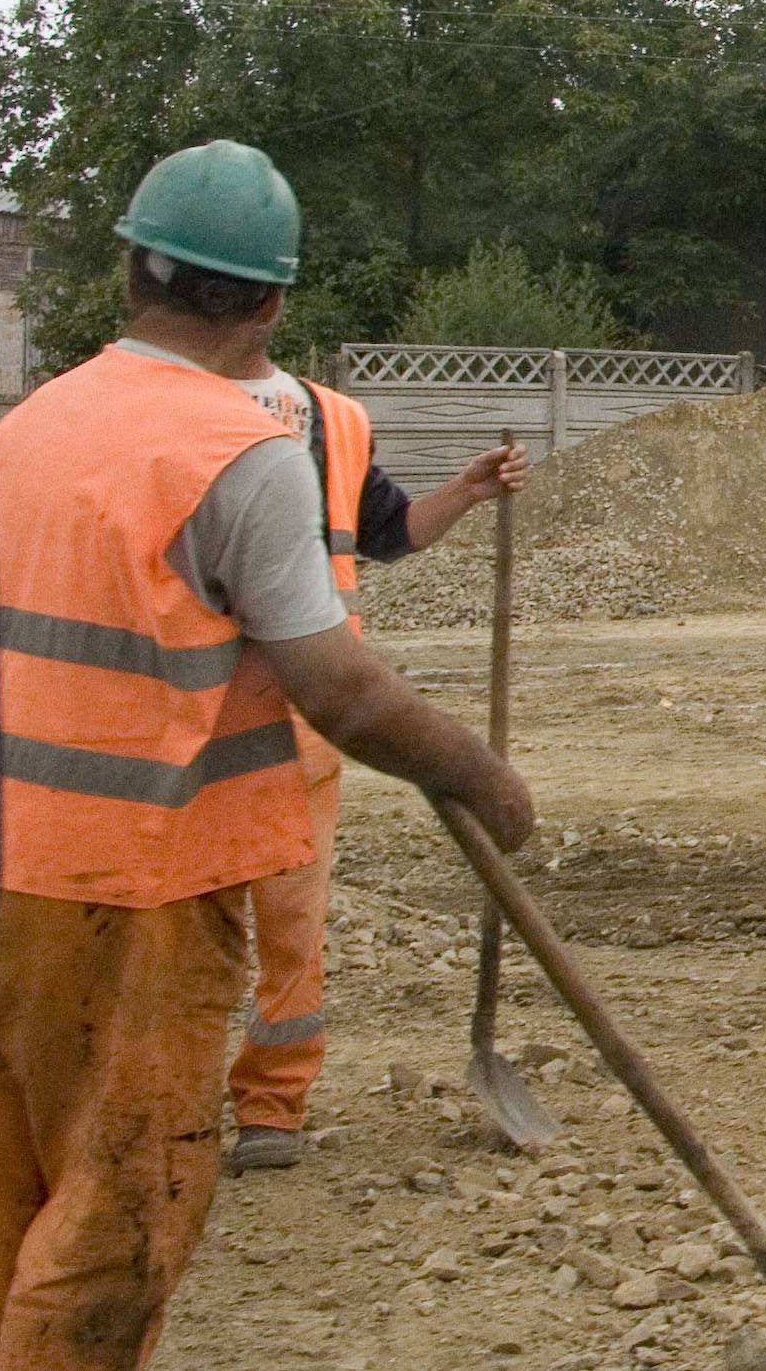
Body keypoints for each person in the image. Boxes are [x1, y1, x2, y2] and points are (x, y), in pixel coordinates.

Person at [0, 139, 538, 1369]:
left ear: (131, 271)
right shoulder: (240, 450)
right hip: (132, 886)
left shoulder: (34, 421)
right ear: (273, 298)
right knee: (116, 1215)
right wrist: (476, 772)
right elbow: (333, 683)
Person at [223, 349, 528, 1175]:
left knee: (282, 925)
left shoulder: (332, 420)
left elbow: (388, 532)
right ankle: (224, 1110)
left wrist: (466, 491)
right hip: (236, 715)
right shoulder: (182, 407)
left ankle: (269, 1109)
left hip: (297, 716)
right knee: (233, 926)